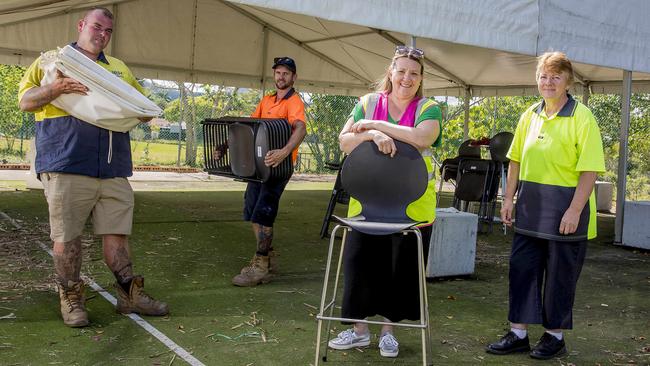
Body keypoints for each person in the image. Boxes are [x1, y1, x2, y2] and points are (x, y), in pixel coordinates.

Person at [18, 7, 168, 327]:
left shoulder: (117, 68)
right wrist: (55, 89)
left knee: (117, 234)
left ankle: (129, 295)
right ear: (82, 25)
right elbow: (26, 101)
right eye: (97, 27)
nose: (102, 35)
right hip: (67, 162)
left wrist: (144, 111)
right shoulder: (54, 61)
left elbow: (140, 105)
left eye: (108, 31)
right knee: (67, 237)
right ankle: (71, 296)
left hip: (113, 167)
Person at [485, 51, 605, 360]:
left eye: (555, 76)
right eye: (543, 76)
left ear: (568, 81)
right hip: (530, 210)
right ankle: (518, 333)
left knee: (559, 277)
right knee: (522, 270)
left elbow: (589, 169)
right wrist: (508, 199)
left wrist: (575, 210)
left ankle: (555, 337)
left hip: (567, 210)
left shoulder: (582, 117)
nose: (548, 82)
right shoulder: (529, 115)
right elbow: (515, 161)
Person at [327, 45, 442, 358]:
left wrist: (376, 125)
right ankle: (359, 330)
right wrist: (371, 135)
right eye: (401, 70)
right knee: (360, 265)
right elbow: (345, 140)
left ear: (421, 79)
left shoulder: (428, 107)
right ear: (391, 72)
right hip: (367, 207)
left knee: (399, 269)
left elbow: (421, 138)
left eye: (414, 73)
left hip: (412, 209)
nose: (407, 78)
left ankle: (389, 332)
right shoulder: (368, 102)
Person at [231, 56, 307, 287]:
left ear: (294, 77)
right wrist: (225, 146)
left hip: (278, 168)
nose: (281, 77)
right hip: (259, 166)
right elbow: (250, 127)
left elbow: (301, 129)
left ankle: (261, 264)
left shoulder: (294, 102)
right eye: (278, 73)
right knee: (252, 209)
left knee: (264, 212)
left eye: (286, 73)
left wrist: (284, 152)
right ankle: (268, 256)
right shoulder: (267, 100)